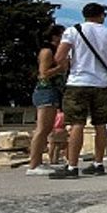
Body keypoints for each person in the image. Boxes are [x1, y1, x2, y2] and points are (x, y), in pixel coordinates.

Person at [50, 3, 107, 178]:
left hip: (78, 83)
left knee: (77, 124)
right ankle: (98, 164)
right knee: (101, 125)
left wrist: (69, 67)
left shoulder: (73, 31)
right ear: (101, 16)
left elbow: (59, 57)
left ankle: (72, 167)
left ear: (84, 15)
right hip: (101, 85)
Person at [26, 25, 67, 175]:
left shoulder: (56, 52)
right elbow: (43, 74)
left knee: (47, 129)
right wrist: (60, 68)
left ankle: (38, 163)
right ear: (55, 37)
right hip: (45, 91)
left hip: (53, 92)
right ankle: (33, 165)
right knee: (42, 129)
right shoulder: (47, 51)